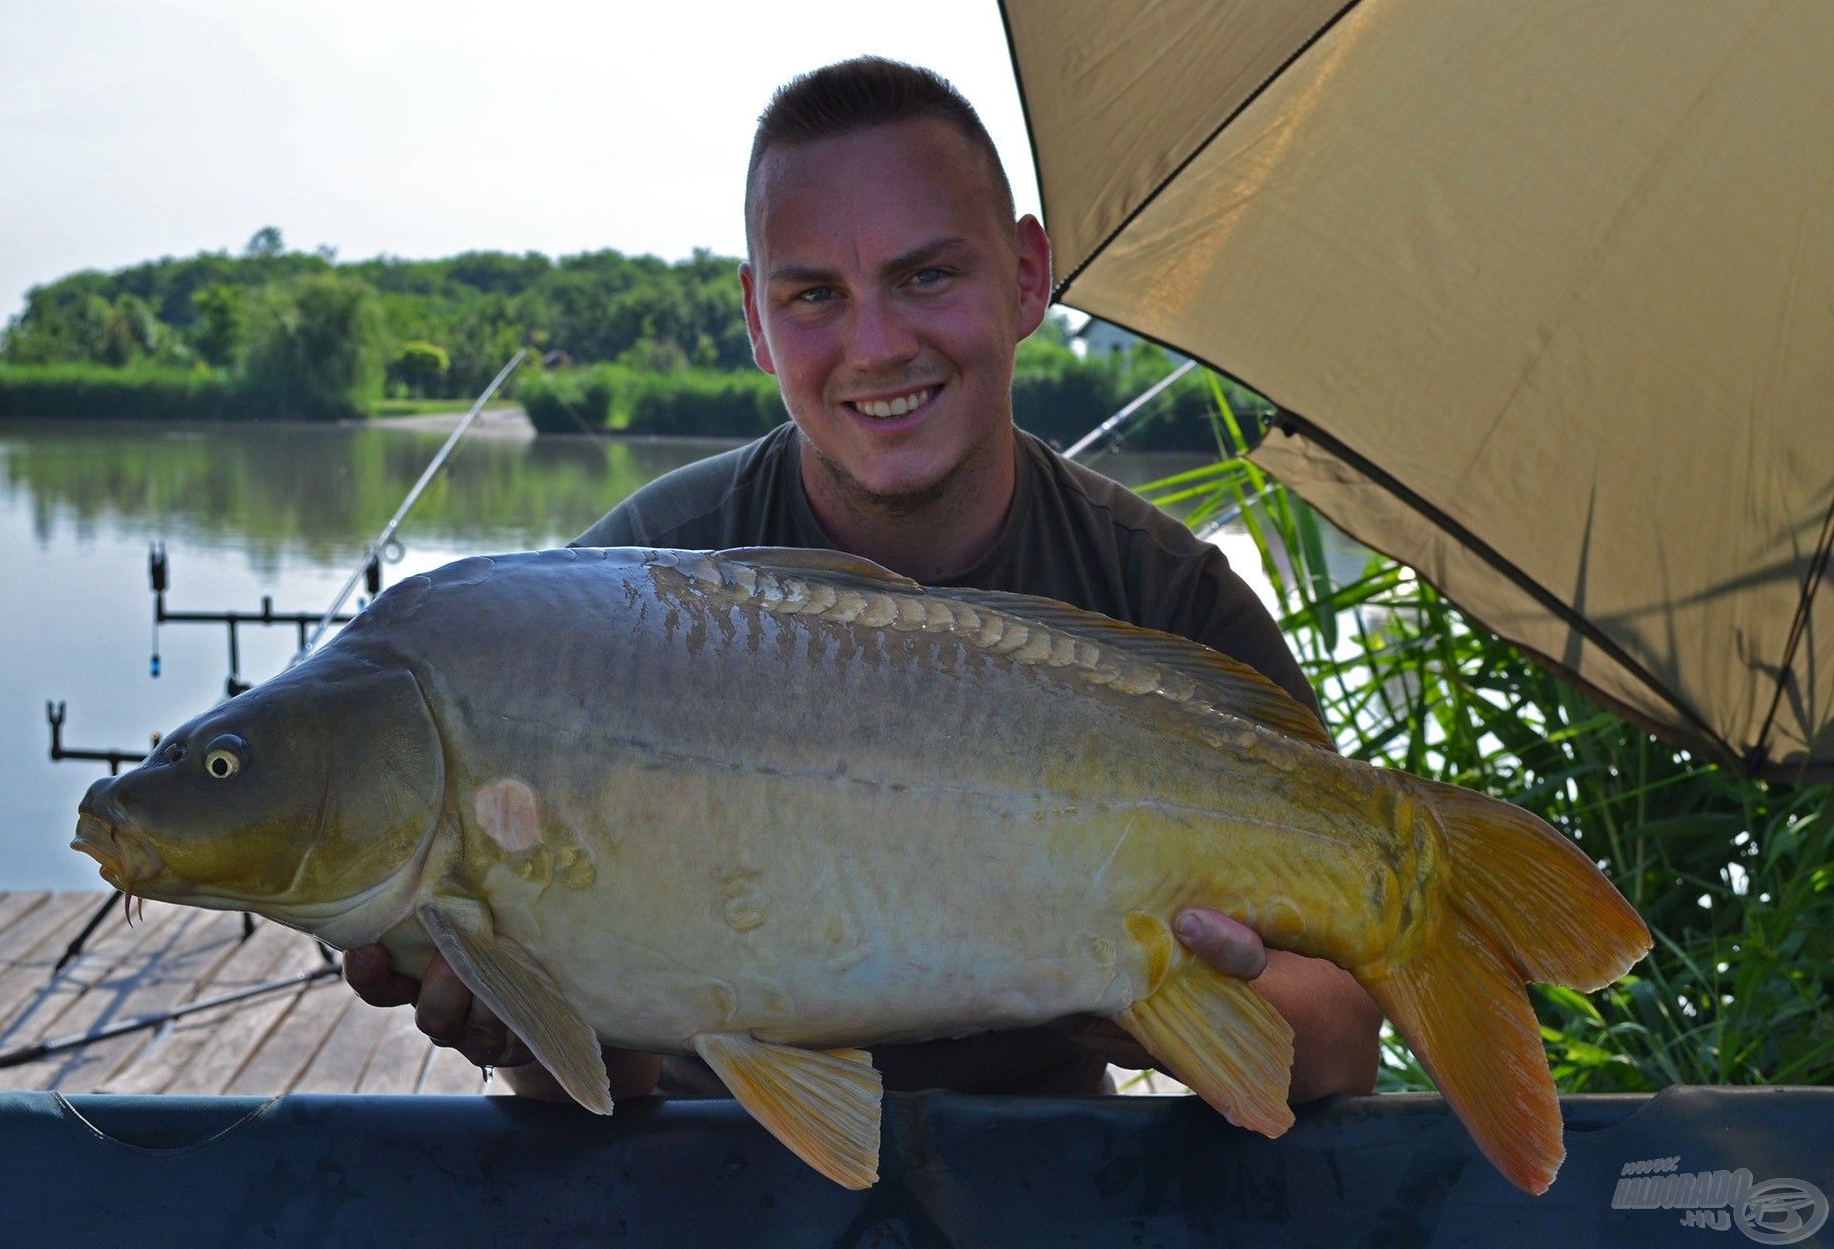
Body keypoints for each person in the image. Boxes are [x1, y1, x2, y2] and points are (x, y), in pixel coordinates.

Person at [344, 56, 1381, 1105]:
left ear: (1026, 276)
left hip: (1054, 1187)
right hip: (722, 1183)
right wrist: (526, 1021)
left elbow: (1346, 1045)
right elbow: (596, 1095)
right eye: (814, 296)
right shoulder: (623, 603)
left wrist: (1152, 995)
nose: (877, 345)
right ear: (755, 318)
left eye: (926, 275)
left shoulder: (1166, 600)